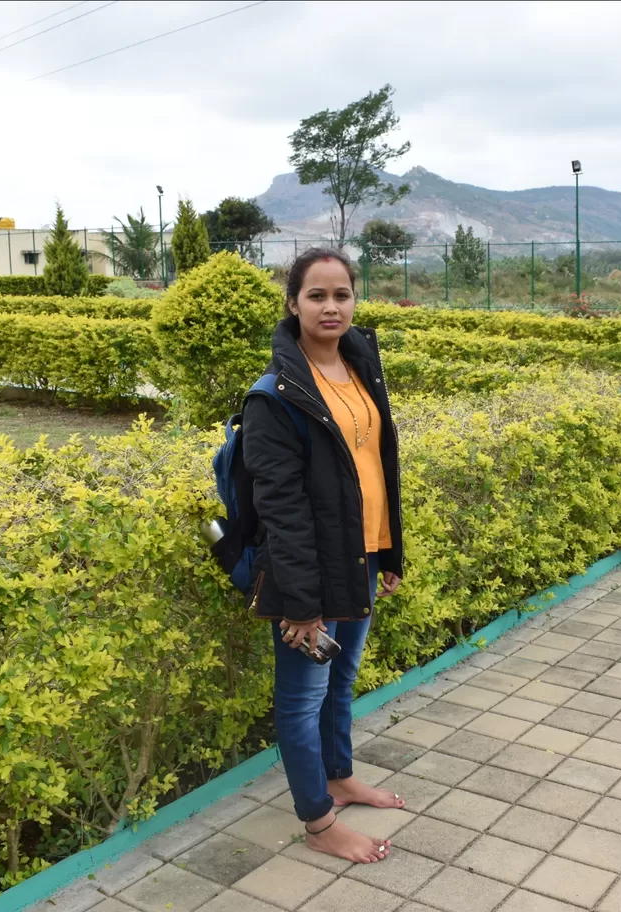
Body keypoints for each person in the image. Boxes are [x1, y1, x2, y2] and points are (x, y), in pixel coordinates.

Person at [241, 247, 406, 864]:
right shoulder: (275, 397)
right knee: (301, 699)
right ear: (293, 304)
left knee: (340, 684)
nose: (331, 306)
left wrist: (387, 553)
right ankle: (317, 821)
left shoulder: (362, 369)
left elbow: (375, 468)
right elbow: (282, 511)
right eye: (317, 295)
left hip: (360, 557)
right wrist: (303, 605)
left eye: (342, 294)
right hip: (309, 574)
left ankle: (339, 777)